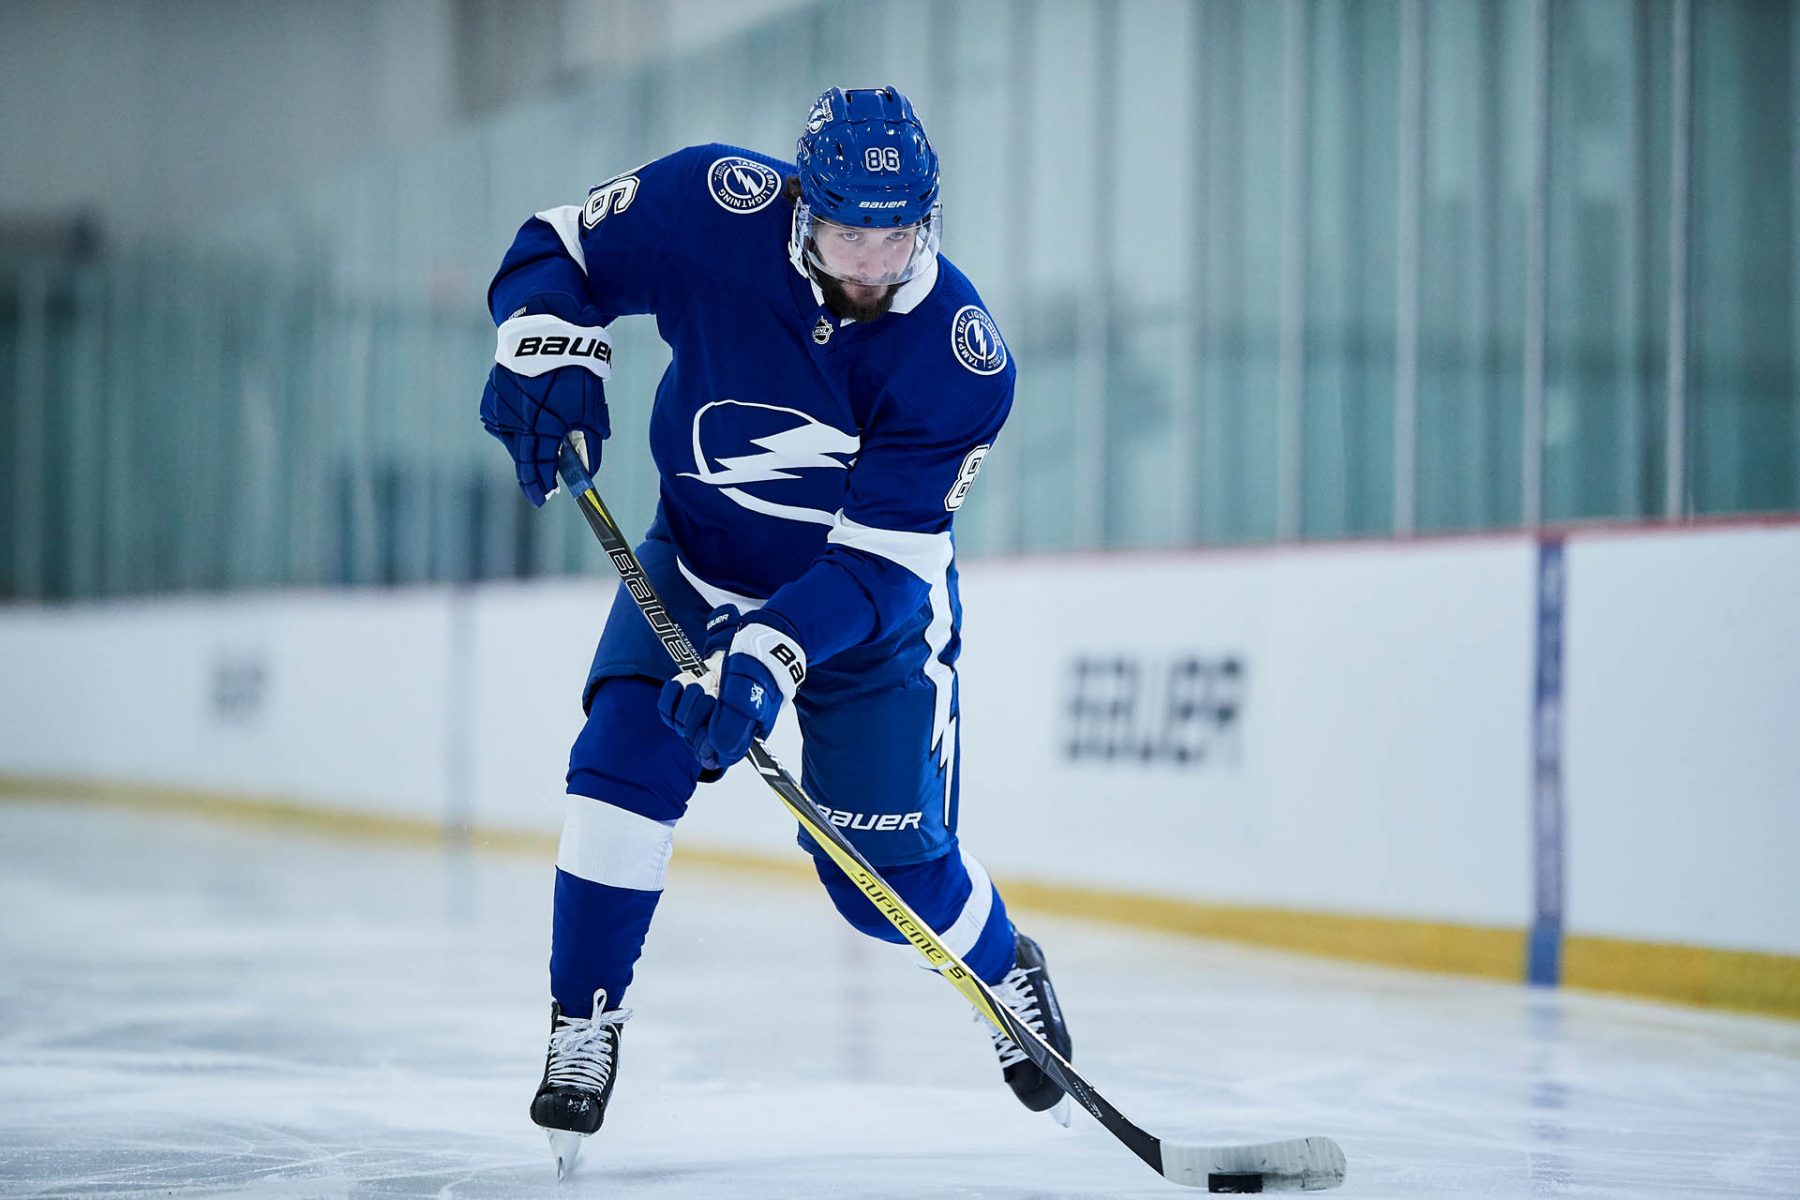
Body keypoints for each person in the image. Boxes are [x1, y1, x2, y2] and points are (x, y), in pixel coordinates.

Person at [479, 86, 1073, 1167]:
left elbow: (882, 562)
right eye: (849, 233)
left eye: (897, 237)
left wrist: (766, 655)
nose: (871, 264)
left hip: (865, 624)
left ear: (928, 222)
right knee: (619, 764)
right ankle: (583, 1019)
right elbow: (559, 245)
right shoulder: (712, 207)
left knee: (879, 884)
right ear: (803, 209)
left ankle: (1005, 968)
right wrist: (545, 342)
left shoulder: (960, 359)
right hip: (699, 561)